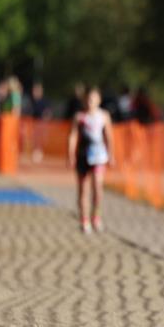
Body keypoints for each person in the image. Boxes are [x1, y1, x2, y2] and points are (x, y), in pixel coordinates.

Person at [68, 86, 114, 234]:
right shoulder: (79, 117)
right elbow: (73, 136)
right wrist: (70, 155)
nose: (90, 102)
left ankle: (96, 216)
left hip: (99, 156)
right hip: (83, 156)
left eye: (93, 99)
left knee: (98, 188)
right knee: (83, 190)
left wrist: (111, 155)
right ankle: (84, 219)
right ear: (84, 100)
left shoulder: (104, 116)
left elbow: (109, 136)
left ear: (99, 100)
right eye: (88, 99)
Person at [27, 82, 51, 162]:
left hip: (41, 124)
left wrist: (45, 119)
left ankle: (38, 154)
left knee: (40, 140)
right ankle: (35, 154)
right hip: (33, 124)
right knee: (34, 140)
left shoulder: (44, 101)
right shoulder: (31, 101)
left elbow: (48, 112)